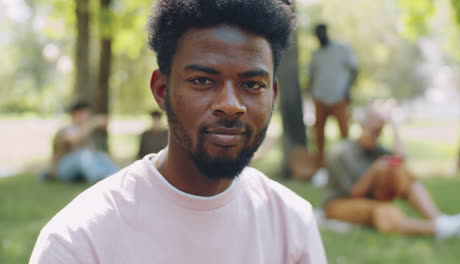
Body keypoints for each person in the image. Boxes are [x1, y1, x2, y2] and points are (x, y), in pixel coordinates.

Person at [30, 1, 327, 263]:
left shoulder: (292, 222)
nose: (230, 105)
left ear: (273, 94)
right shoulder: (78, 241)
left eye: (252, 85)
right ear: (161, 90)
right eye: (202, 81)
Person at [324, 101, 460, 238]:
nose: (376, 136)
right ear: (362, 126)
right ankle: (438, 229)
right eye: (373, 130)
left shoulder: (376, 150)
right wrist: (374, 171)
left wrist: (394, 124)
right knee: (383, 211)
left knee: (398, 169)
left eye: (380, 131)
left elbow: (401, 158)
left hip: (370, 199)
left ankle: (439, 219)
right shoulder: (340, 153)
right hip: (340, 204)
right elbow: (351, 194)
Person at [308, 24, 358, 167]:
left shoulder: (342, 49)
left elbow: (354, 70)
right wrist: (312, 94)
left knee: (344, 133)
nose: (320, 36)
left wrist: (347, 91)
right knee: (318, 134)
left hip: (339, 97)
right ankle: (320, 165)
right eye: (317, 34)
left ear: (326, 32)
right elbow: (311, 77)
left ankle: (346, 163)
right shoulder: (316, 54)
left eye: (321, 33)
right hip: (320, 98)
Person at [48, 101, 118, 182]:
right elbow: (73, 139)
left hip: (78, 172)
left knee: (100, 155)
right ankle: (100, 178)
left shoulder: (86, 131)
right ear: (76, 114)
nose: (88, 117)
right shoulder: (66, 129)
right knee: (82, 154)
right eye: (85, 114)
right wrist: (94, 123)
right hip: (62, 170)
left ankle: (116, 176)